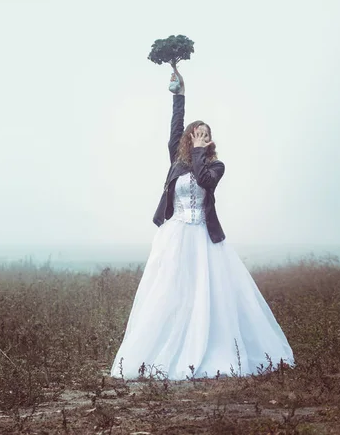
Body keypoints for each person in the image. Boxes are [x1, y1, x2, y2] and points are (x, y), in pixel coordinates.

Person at [110, 67, 294, 380]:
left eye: (206, 136)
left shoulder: (216, 166)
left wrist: (199, 152)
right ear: (187, 140)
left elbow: (204, 181)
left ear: (209, 142)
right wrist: (179, 96)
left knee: (210, 293)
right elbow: (174, 130)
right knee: (172, 292)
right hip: (176, 235)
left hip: (205, 239)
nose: (202, 139)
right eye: (197, 135)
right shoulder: (177, 162)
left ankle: (214, 349)